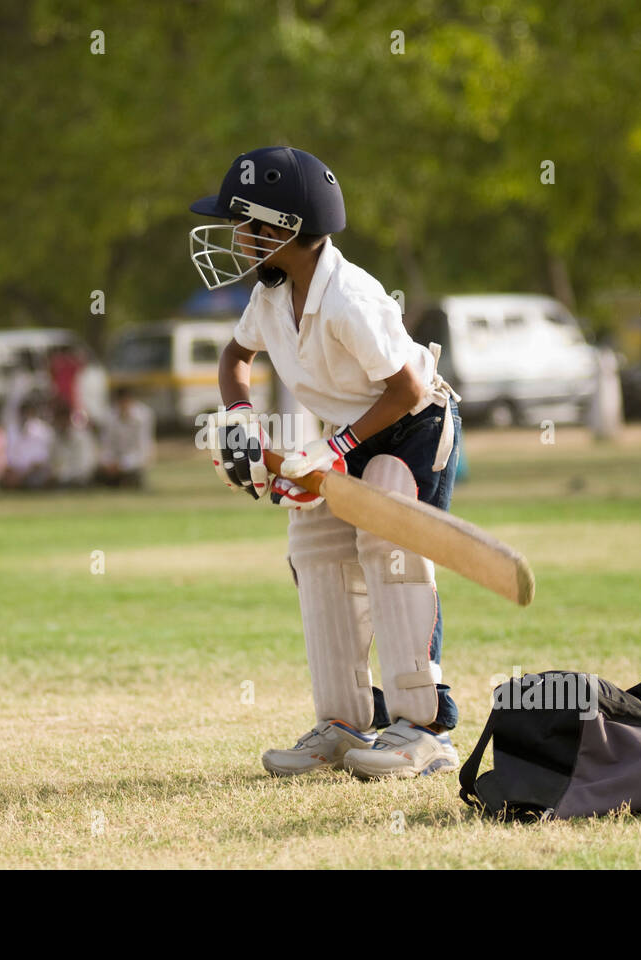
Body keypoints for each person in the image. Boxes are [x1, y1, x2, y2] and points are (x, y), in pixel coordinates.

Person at [190, 146, 463, 780]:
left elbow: (407, 392)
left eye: (243, 220)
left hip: (414, 427)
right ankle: (343, 723)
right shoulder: (274, 291)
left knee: (390, 540)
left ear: (282, 227)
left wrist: (334, 450)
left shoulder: (349, 300)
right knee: (314, 542)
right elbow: (235, 357)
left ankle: (424, 730)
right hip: (350, 431)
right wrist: (240, 420)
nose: (233, 234)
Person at [97, 386, 155, 488]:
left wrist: (123, 464)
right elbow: (106, 446)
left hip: (133, 464)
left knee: (134, 477)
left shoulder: (143, 416)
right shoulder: (108, 417)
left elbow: (144, 450)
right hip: (113, 464)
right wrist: (109, 463)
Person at [3, 400, 53, 489]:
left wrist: (24, 474)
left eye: (28, 413)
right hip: (15, 472)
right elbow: (9, 454)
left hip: (34, 471)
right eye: (23, 413)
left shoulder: (42, 431)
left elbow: (41, 459)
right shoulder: (12, 429)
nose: (25, 416)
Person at [48, 402, 96, 487]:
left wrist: (66, 476)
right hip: (62, 481)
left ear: (69, 419)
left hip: (80, 481)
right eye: (59, 420)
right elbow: (53, 465)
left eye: (64, 419)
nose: (62, 423)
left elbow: (86, 465)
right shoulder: (54, 439)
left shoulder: (81, 437)